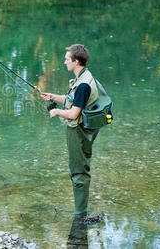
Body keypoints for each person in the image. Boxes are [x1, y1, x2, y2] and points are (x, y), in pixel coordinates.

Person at [41, 44, 99, 218]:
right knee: (78, 168)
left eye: (67, 59)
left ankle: (80, 214)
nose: (64, 62)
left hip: (79, 132)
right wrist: (53, 97)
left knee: (79, 172)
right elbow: (72, 100)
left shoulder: (83, 85)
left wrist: (56, 111)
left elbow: (74, 114)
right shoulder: (84, 77)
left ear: (76, 61)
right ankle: (81, 211)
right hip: (83, 129)